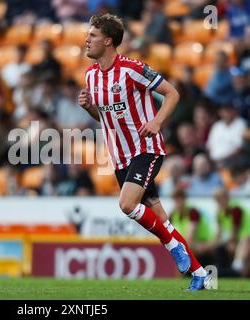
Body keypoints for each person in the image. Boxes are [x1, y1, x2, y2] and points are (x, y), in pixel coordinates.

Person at [78, 13, 211, 291]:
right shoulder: (90, 76)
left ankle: (174, 247)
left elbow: (172, 93)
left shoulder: (132, 68)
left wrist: (157, 121)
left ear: (108, 40)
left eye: (92, 35)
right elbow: (105, 119)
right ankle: (201, 274)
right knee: (161, 219)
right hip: (120, 156)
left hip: (145, 148)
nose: (86, 40)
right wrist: (89, 108)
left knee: (127, 205)